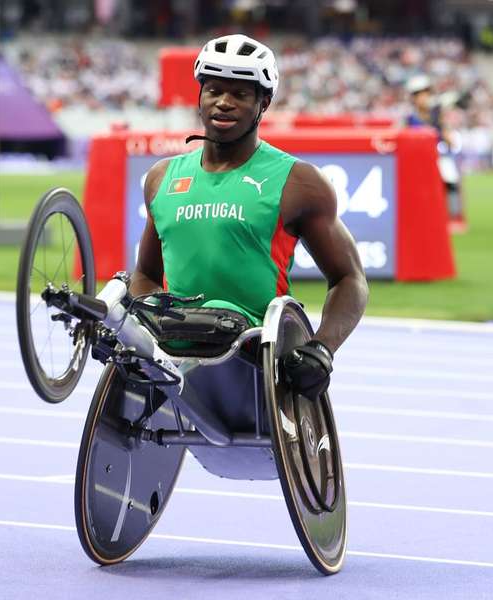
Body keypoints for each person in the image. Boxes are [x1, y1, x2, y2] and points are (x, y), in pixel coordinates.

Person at [130, 34, 368, 399]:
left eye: (240, 94)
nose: (223, 102)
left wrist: (322, 348)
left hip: (258, 357)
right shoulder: (162, 178)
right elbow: (146, 274)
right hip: (177, 351)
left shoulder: (299, 182)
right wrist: (146, 320)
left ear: (263, 103)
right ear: (200, 96)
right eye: (213, 90)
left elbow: (349, 278)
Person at [405, 74, 465, 228]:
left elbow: (450, 141)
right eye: (421, 95)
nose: (425, 98)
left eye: (427, 94)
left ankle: (452, 218)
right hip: (416, 163)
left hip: (437, 158)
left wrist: (442, 125)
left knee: (450, 180)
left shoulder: (437, 117)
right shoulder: (409, 119)